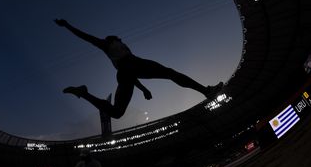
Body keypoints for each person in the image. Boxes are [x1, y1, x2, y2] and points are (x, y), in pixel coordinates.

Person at [55, 19, 223, 119]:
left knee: (117, 112)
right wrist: (67, 25)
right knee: (170, 73)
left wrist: (143, 89)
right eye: (118, 38)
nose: (121, 39)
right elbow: (87, 37)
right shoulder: (107, 44)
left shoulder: (122, 47)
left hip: (129, 69)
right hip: (130, 67)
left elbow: (131, 73)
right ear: (113, 39)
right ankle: (206, 91)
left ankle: (84, 93)